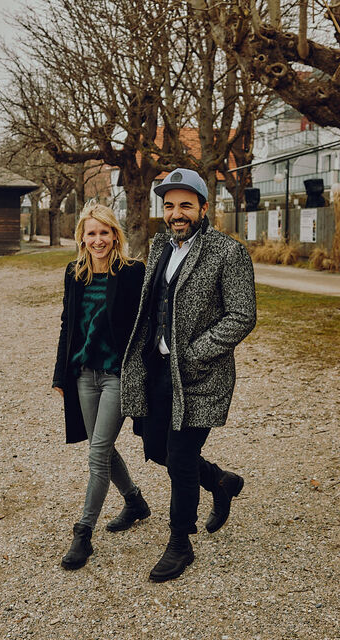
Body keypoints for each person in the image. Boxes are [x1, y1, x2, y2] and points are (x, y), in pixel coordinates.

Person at [121, 168, 256, 582]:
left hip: (200, 376)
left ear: (203, 208)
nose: (176, 213)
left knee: (179, 458)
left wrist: (196, 353)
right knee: (157, 449)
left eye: (185, 205)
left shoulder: (227, 253)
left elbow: (242, 316)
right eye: (169, 205)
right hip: (158, 372)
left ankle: (180, 541)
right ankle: (220, 480)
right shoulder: (160, 245)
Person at [53, 201, 150, 571]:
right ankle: (135, 501)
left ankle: (83, 533)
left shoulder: (131, 273)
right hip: (84, 374)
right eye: (91, 233)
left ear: (115, 235)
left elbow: (145, 324)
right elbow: (68, 325)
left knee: (96, 454)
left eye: (104, 232)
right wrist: (61, 375)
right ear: (82, 237)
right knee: (102, 448)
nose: (98, 240)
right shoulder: (73, 274)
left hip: (117, 375)